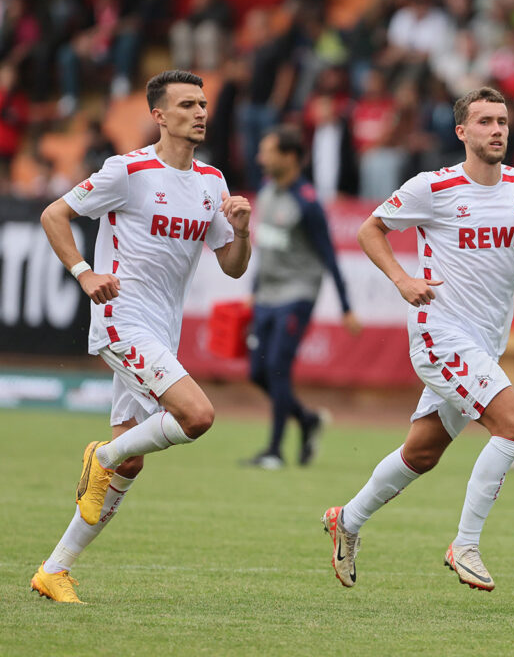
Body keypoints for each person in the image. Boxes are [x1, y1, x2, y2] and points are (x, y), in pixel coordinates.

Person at [321, 87, 514, 592]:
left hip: (486, 343)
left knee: (422, 453)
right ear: (462, 132)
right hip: (441, 335)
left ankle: (348, 519)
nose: (497, 130)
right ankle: (466, 545)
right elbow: (371, 230)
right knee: (513, 427)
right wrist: (403, 280)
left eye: (502, 121)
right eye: (485, 122)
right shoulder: (435, 186)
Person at [31, 71, 251, 604]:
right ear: (158, 115)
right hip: (120, 320)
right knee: (197, 416)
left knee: (134, 459)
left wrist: (241, 231)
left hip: (162, 331)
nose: (199, 112)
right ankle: (99, 459)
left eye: (203, 104)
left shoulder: (212, 183)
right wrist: (85, 272)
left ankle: (54, 570)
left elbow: (234, 268)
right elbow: (53, 214)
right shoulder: (127, 171)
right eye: (186, 105)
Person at [244, 125, 362, 470]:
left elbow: (329, 255)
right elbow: (265, 247)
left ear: (290, 157)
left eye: (267, 151)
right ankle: (306, 419)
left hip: (297, 294)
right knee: (256, 372)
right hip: (266, 295)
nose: (259, 157)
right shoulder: (266, 192)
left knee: (278, 366)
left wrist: (346, 307)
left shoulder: (307, 203)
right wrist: (253, 292)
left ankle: (274, 452)